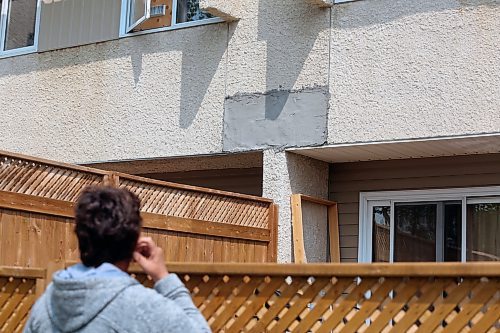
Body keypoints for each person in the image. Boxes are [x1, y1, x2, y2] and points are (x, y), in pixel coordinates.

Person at [24, 186, 211, 333]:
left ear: (81, 237)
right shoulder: (142, 306)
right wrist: (163, 277)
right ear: (134, 243)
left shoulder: (47, 303)